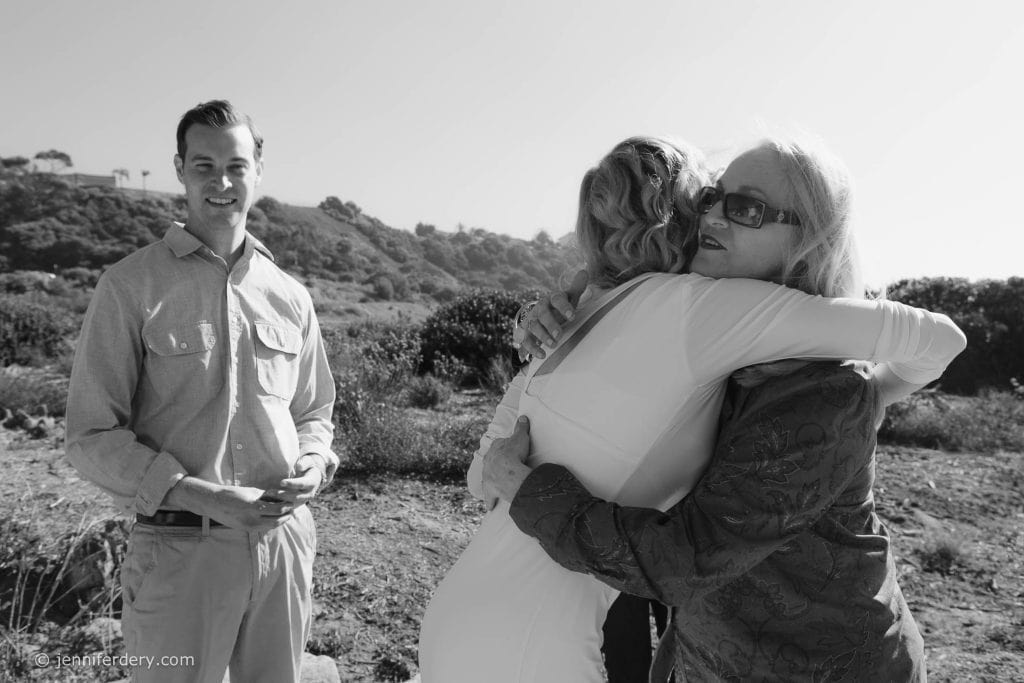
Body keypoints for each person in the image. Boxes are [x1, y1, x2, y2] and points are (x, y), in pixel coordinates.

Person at [417, 136, 965, 682]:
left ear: (810, 238)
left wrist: (872, 394)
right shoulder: (707, 330)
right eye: (711, 197)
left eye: (745, 208)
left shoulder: (818, 389)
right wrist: (552, 316)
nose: (713, 217)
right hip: (706, 652)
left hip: (818, 664)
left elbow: (686, 559)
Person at [65, 100, 337, 683]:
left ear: (258, 170)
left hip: (283, 547)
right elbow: (90, 435)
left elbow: (314, 410)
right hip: (179, 551)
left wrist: (314, 461)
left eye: (236, 165)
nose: (222, 181)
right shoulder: (129, 285)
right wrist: (199, 495)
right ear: (180, 170)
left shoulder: (291, 296)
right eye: (204, 165)